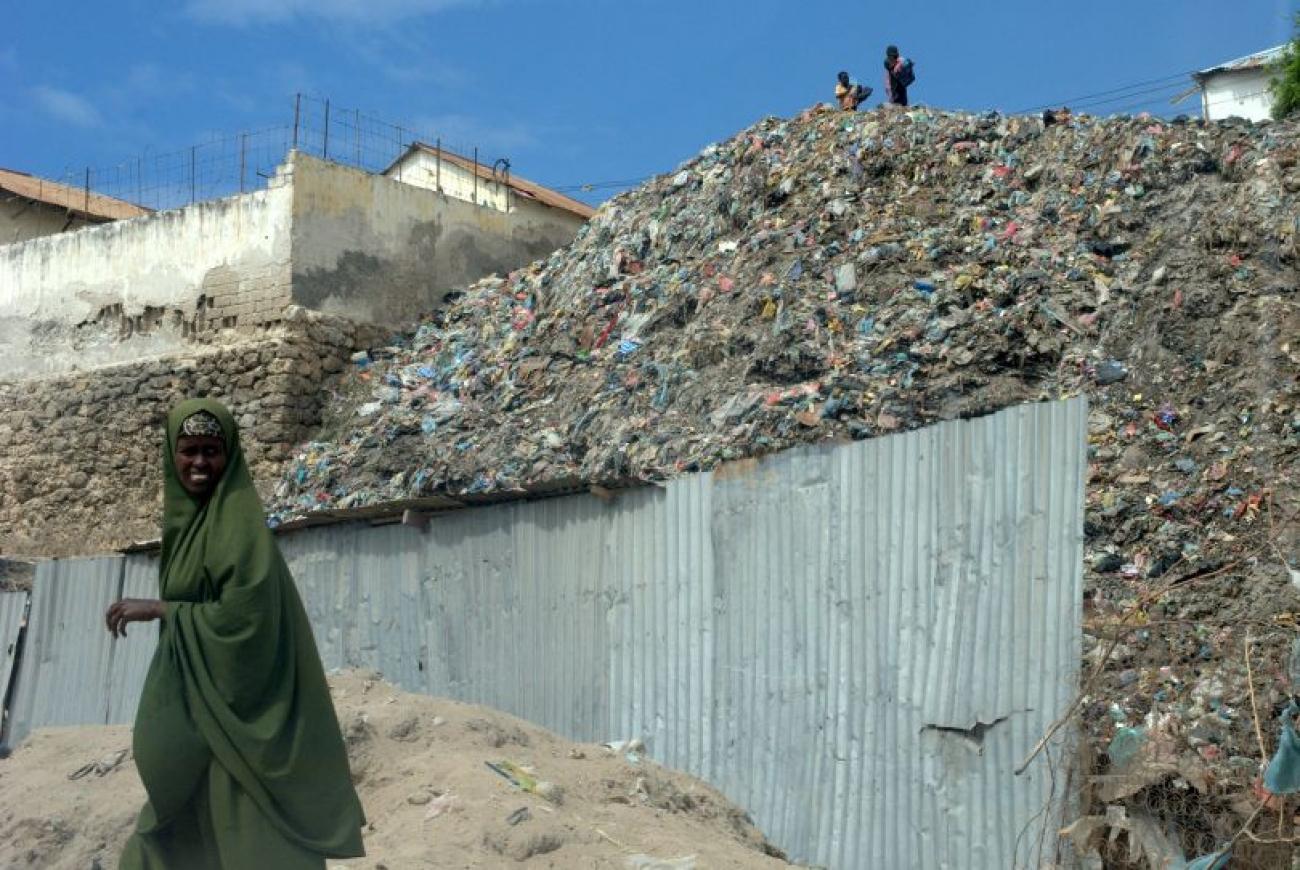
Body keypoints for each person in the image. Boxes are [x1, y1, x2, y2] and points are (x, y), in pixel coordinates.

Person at [106, 399, 365, 869]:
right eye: (189, 450)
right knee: (178, 831)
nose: (200, 463)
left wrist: (162, 609)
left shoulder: (238, 526)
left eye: (211, 450)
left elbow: (248, 620)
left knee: (245, 827)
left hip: (238, 714)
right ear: (171, 454)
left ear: (230, 455)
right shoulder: (187, 526)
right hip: (197, 707)